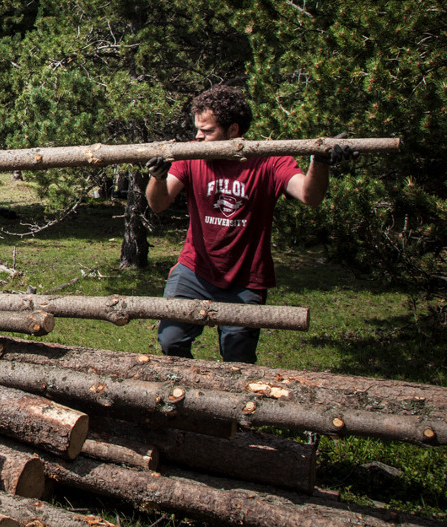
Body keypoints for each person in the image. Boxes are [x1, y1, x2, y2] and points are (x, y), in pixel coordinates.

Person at [145, 84, 353, 363]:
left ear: (233, 131)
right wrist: (158, 177)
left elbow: (310, 195)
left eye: (207, 131)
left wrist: (320, 161)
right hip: (195, 269)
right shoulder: (192, 154)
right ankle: (190, 392)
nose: (197, 136)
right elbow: (158, 203)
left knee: (238, 356)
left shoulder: (269, 159)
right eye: (197, 129)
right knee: (170, 340)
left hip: (246, 278)